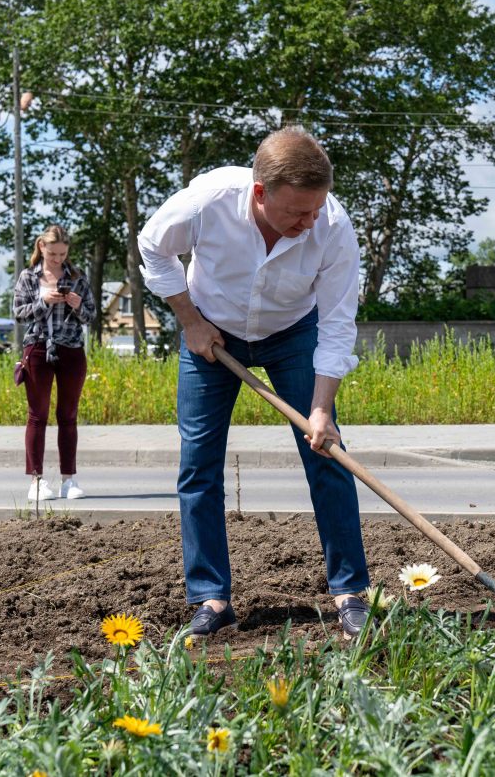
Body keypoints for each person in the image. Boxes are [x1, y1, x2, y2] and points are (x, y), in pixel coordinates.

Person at [138, 126, 371, 638]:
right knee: (198, 463)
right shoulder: (208, 201)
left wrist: (323, 407)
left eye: (315, 210)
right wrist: (189, 320)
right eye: (296, 213)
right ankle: (211, 600)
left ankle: (351, 591)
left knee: (326, 452)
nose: (309, 222)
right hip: (211, 332)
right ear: (260, 193)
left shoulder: (332, 225)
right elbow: (153, 247)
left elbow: (336, 322)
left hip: (293, 333)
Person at [12, 224, 97, 502]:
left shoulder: (78, 278)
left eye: (62, 254)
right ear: (41, 248)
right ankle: (36, 481)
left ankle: (68, 480)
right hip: (37, 349)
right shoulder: (28, 277)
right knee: (38, 415)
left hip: (71, 350)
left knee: (68, 415)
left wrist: (76, 304)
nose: (58, 259)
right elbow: (19, 314)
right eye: (53, 254)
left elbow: (91, 316)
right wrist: (44, 301)